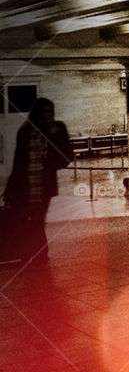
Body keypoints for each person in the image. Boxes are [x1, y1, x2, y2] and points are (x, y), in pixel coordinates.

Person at [1, 98, 73, 263]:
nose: (48, 115)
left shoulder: (57, 128)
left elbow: (66, 157)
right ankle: (31, 253)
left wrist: (55, 136)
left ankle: (36, 254)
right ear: (37, 113)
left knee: (38, 219)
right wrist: (11, 188)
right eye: (45, 111)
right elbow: (18, 162)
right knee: (25, 219)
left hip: (44, 185)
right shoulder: (25, 131)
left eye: (50, 111)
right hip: (24, 185)